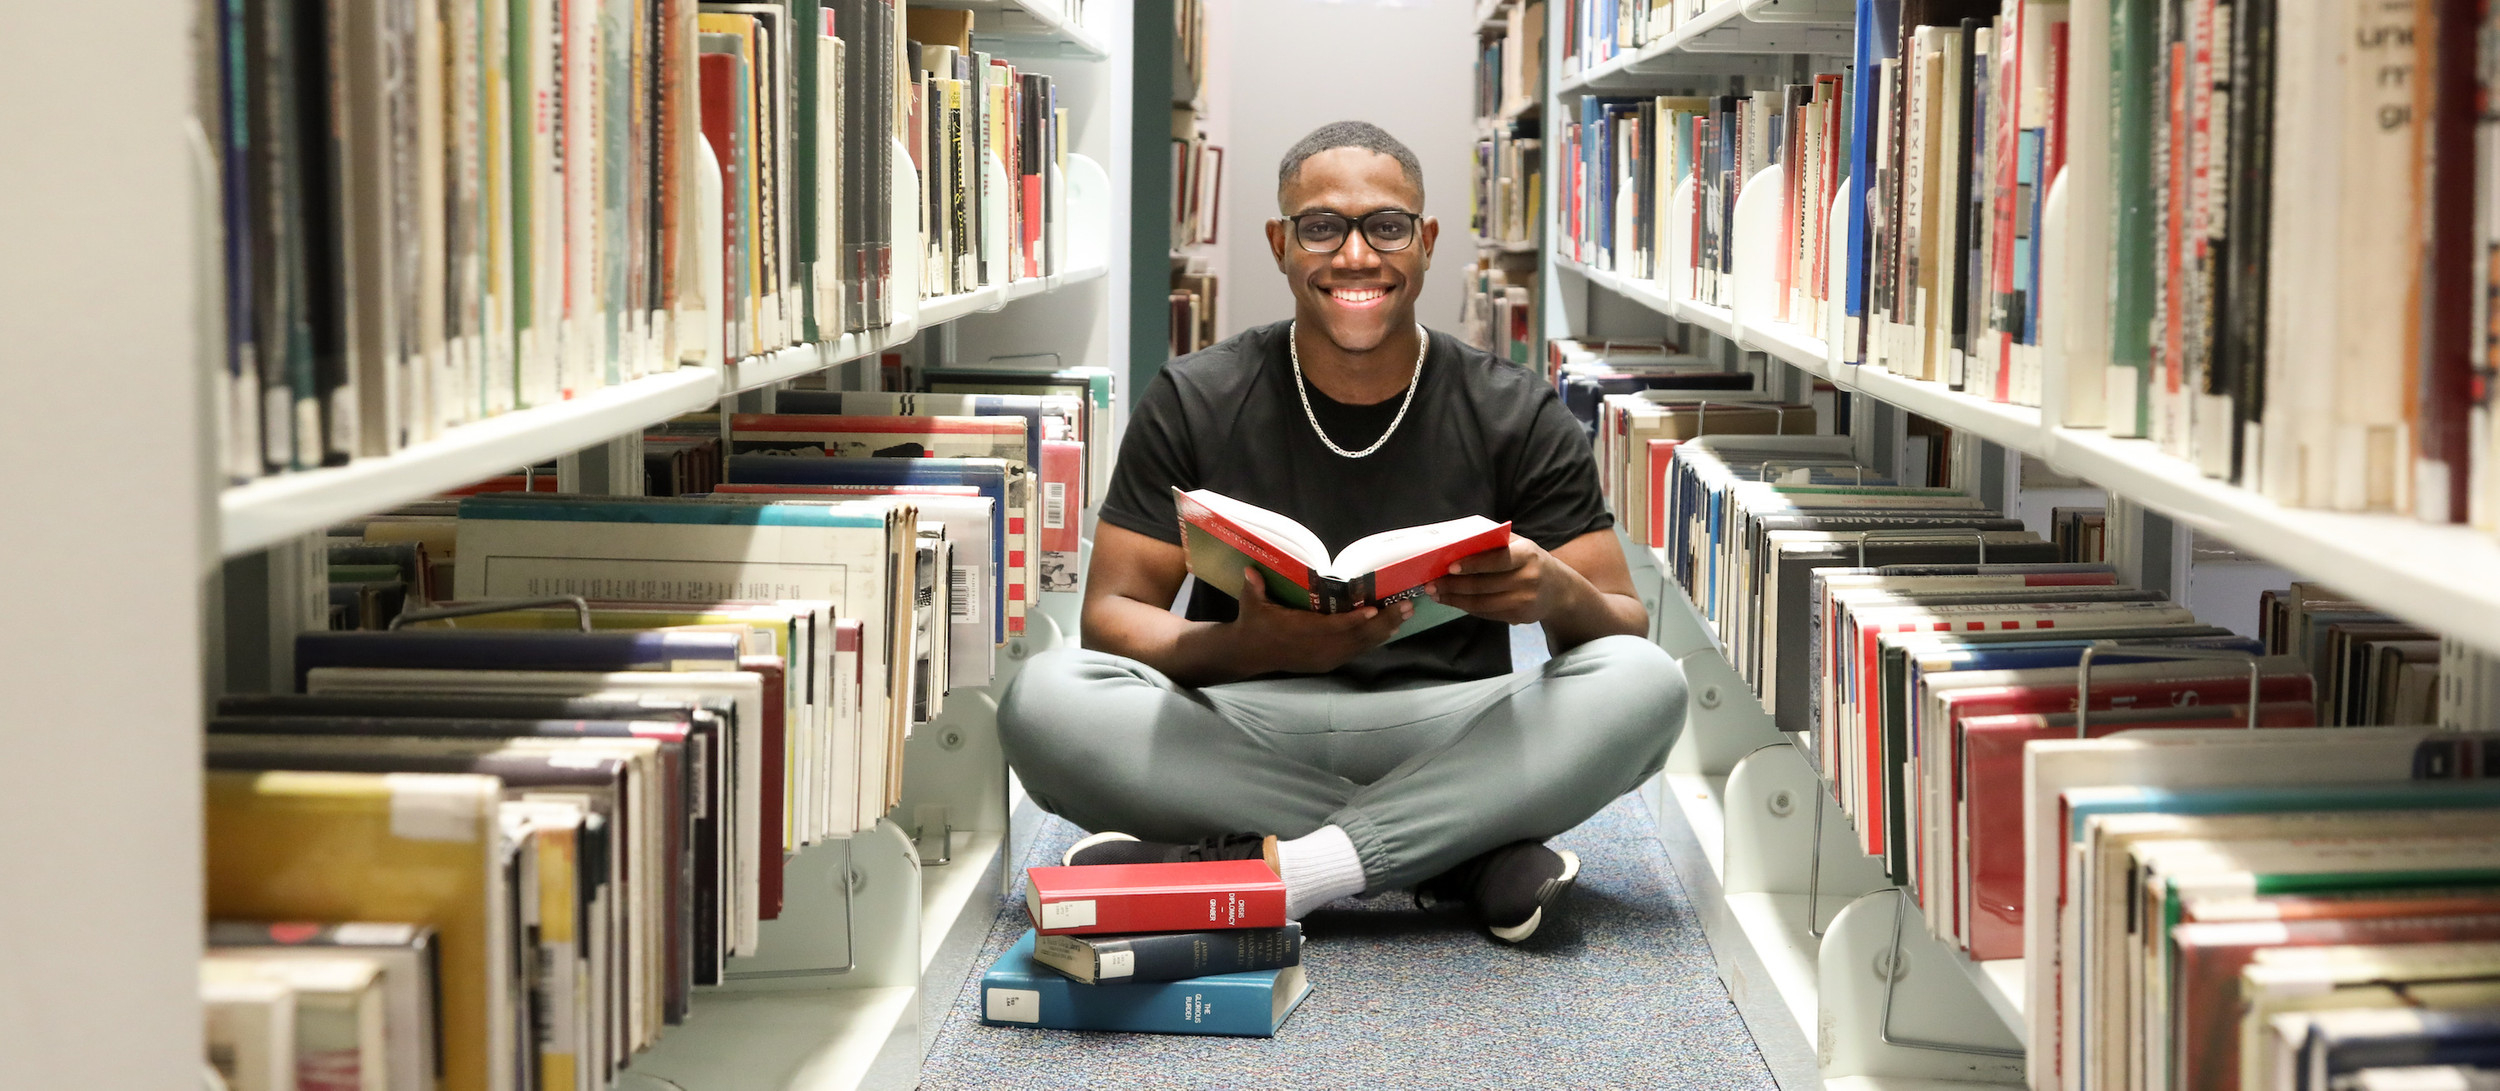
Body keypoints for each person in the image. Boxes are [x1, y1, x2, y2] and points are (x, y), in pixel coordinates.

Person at [997, 120, 1686, 942]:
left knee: (1646, 681)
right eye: (1321, 227)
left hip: (1454, 730)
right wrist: (1255, 648)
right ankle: (1462, 856)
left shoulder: (1516, 408)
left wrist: (1556, 590)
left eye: (1387, 226)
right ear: (1280, 244)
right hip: (1239, 724)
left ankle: (1279, 867)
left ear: (1426, 242)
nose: (1355, 256)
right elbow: (1108, 616)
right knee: (1043, 699)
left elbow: (1621, 623)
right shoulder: (1194, 396)